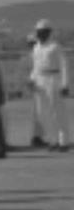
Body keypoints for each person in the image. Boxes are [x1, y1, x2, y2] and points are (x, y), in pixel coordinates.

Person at [29, 22, 67, 151]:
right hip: (40, 81)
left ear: (48, 32)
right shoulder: (36, 48)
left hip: (53, 79)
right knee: (43, 113)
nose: (40, 34)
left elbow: (64, 65)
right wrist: (32, 79)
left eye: (42, 31)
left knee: (57, 112)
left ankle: (63, 142)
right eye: (38, 32)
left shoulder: (55, 47)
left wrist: (65, 84)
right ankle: (53, 140)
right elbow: (35, 66)